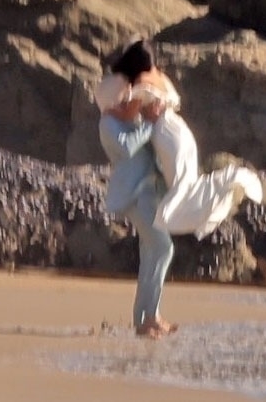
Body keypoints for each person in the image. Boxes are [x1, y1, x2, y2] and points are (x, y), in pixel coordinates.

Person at [109, 39, 266, 240]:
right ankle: (221, 191)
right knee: (186, 184)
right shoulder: (161, 76)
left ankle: (225, 187)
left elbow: (128, 115)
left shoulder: (142, 82)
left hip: (166, 135)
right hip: (179, 131)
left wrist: (110, 110)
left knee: (183, 187)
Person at [94, 73, 177, 339]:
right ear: (113, 104)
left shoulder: (135, 122)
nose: (134, 104)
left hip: (149, 193)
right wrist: (150, 126)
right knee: (163, 247)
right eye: (128, 100)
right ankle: (147, 317)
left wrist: (159, 114)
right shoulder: (108, 124)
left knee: (152, 252)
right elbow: (127, 148)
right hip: (134, 196)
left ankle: (147, 317)